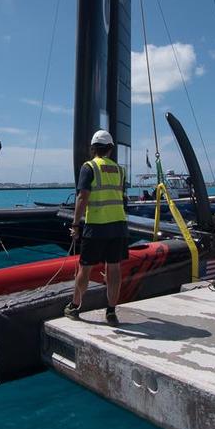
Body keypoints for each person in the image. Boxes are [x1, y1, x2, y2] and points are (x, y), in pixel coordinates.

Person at [65, 129, 129, 326]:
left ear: (93, 148)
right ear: (111, 148)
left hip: (97, 226)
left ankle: (75, 306)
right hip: (118, 225)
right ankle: (111, 311)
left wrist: (75, 224)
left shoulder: (89, 167)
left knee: (85, 268)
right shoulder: (120, 170)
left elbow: (82, 197)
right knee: (114, 268)